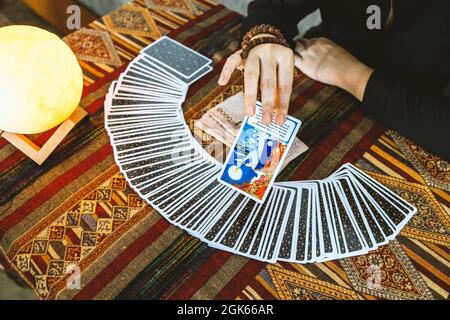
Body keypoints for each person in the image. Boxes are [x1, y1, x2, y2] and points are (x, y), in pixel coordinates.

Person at [218, 0, 450, 160]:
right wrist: (265, 35)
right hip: (321, 62)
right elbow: (276, 5)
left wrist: (353, 76)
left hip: (417, 119)